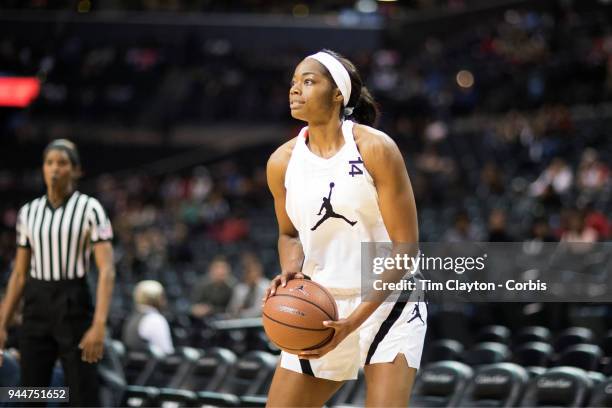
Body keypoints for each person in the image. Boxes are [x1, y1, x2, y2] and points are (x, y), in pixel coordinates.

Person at [263, 49, 427, 406]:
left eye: (308, 81)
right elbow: (288, 233)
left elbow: (406, 247)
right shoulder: (281, 162)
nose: (295, 90)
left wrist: (354, 322)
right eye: (293, 82)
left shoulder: (375, 148)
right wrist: (290, 266)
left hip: (387, 301)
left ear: (338, 93)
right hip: (321, 303)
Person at [0, 139, 115, 406]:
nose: (54, 169)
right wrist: (2, 324)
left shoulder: (91, 209)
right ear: (42, 168)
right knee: (31, 393)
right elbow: (19, 274)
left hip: (74, 302)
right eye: (49, 163)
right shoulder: (28, 213)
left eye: (62, 163)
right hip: (36, 303)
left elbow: (107, 270)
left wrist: (99, 325)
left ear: (76, 171)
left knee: (82, 394)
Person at [122, 280, 174, 355]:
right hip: (153, 364)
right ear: (156, 298)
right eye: (162, 296)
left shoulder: (132, 318)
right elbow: (166, 351)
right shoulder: (155, 319)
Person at [226, 252, 270, 319]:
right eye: (250, 272)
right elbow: (231, 310)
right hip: (240, 322)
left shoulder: (266, 285)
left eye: (255, 271)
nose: (253, 274)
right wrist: (237, 310)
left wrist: (241, 314)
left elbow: (260, 310)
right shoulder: (240, 289)